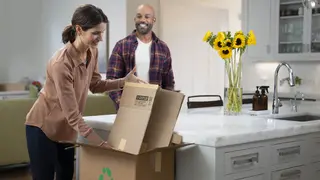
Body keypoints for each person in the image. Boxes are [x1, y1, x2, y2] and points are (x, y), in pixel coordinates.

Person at [24, 4, 144, 180]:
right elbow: (73, 116)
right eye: (96, 33)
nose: (100, 38)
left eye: (102, 32)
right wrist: (100, 144)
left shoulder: (91, 52)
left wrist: (124, 82)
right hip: (42, 128)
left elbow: (95, 85)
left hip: (65, 131)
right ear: (79, 30)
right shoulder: (61, 64)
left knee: (66, 175)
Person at [107, 4, 175, 110]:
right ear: (135, 19)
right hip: (128, 108)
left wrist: (165, 107)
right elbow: (111, 82)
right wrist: (123, 106)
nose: (142, 20)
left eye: (147, 17)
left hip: (155, 108)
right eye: (139, 16)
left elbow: (168, 83)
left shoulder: (163, 48)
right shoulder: (122, 46)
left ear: (153, 20)